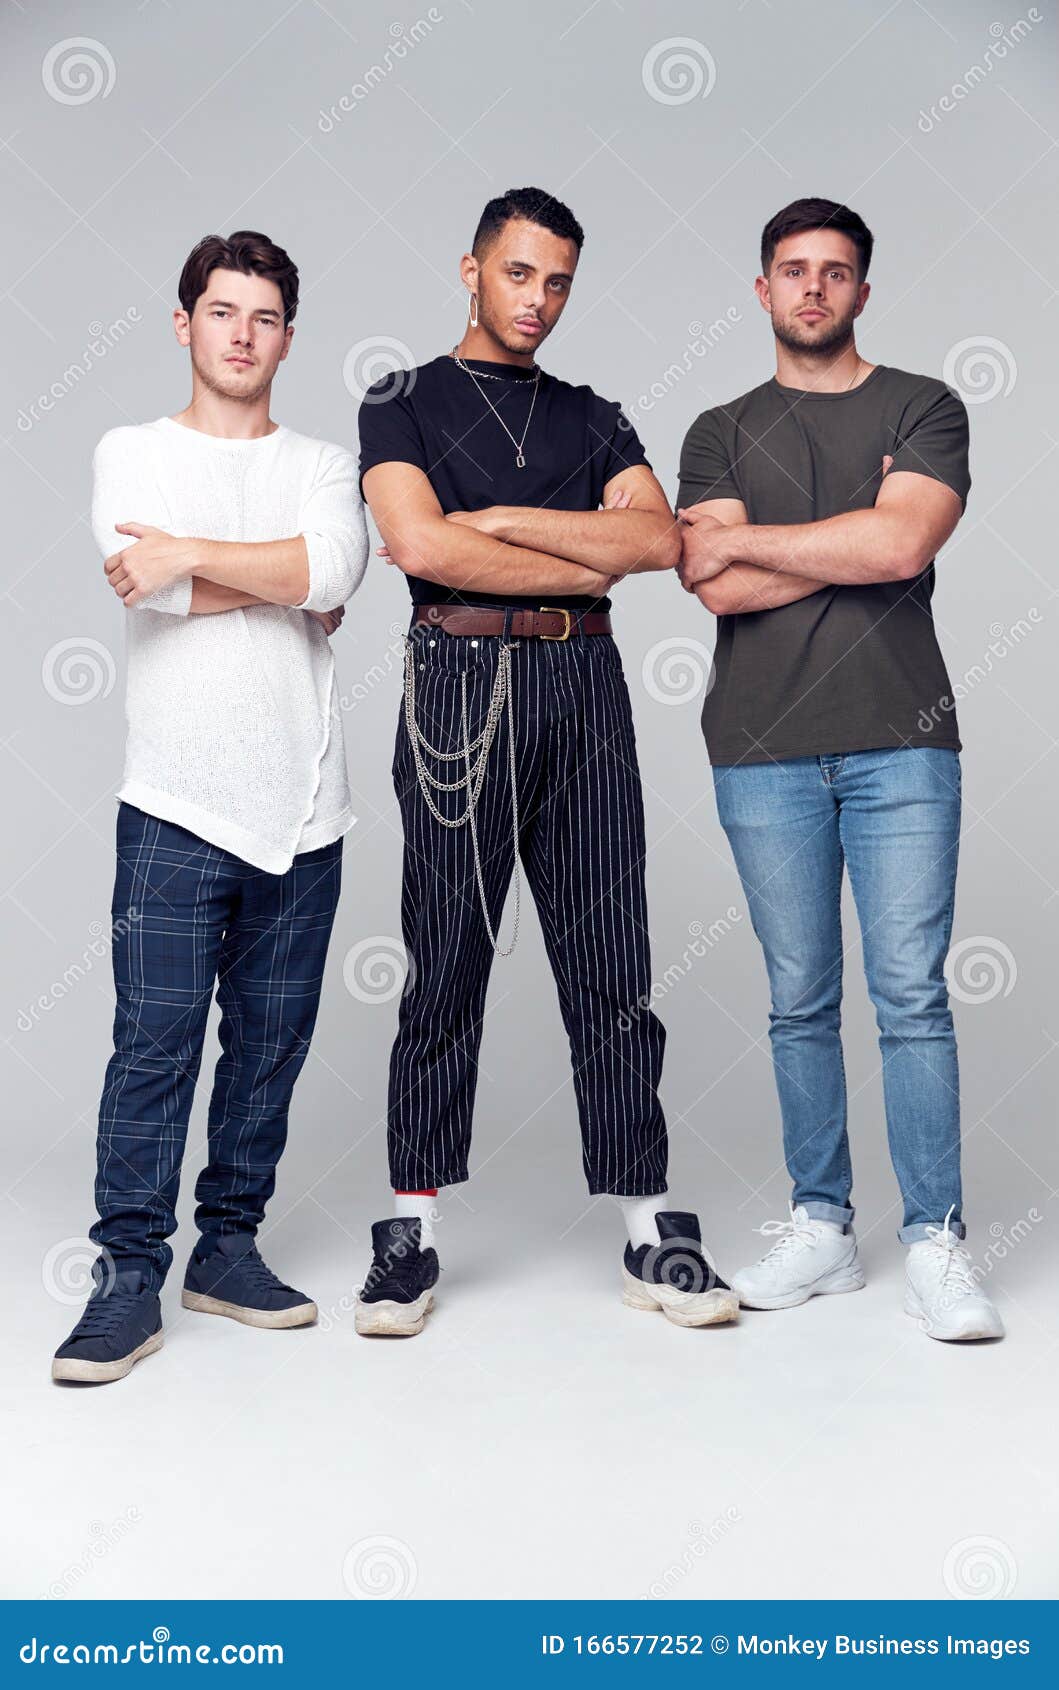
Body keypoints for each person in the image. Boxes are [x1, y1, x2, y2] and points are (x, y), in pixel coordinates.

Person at [354, 186, 738, 1336]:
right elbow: (416, 542)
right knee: (444, 958)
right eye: (518, 273)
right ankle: (410, 1231)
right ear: (471, 269)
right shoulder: (401, 399)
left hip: (584, 685)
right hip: (458, 682)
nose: (538, 299)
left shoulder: (592, 413)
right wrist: (575, 550)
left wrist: (498, 525)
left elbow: (657, 541)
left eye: (558, 280)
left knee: (613, 961)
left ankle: (649, 1227)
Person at [675, 196, 1003, 1342]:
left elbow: (903, 544)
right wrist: (850, 536)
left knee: (911, 997)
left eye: (834, 270)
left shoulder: (923, 403)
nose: (812, 286)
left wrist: (757, 537)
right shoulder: (718, 428)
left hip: (901, 737)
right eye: (792, 268)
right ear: (762, 288)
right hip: (760, 745)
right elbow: (712, 585)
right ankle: (822, 1226)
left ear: (863, 289)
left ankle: (935, 1242)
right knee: (799, 1001)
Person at [52, 231, 368, 1384]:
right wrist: (277, 580)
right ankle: (126, 1279)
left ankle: (227, 1251)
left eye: (265, 317)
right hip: (176, 804)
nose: (243, 334)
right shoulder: (130, 449)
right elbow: (145, 581)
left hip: (305, 806)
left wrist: (197, 557)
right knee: (154, 1050)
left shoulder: (325, 462)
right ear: (185, 324)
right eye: (223, 312)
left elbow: (335, 571)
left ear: (288, 338)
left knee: (269, 1051)